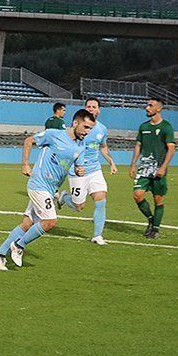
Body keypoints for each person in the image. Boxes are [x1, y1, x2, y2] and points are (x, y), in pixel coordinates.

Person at [0, 109, 95, 270]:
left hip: (51, 189)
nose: (87, 132)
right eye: (86, 127)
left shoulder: (81, 146)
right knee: (50, 221)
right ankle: (18, 246)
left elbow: (77, 167)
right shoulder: (54, 134)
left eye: (90, 129)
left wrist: (79, 171)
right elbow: (28, 140)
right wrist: (25, 163)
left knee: (27, 224)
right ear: (75, 123)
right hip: (38, 185)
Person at [55, 98, 117, 245]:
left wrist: (111, 162)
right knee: (79, 207)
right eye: (88, 106)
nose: (90, 108)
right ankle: (63, 198)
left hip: (95, 169)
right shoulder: (77, 127)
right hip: (77, 172)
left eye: (93, 107)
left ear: (98, 110)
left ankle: (97, 235)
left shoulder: (102, 129)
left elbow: (103, 147)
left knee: (101, 199)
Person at [128, 98, 176, 239]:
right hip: (144, 168)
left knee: (158, 200)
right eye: (147, 105)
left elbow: (171, 149)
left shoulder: (166, 127)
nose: (147, 108)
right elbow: (138, 146)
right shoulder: (144, 127)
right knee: (137, 195)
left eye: (150, 105)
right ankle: (151, 219)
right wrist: (132, 165)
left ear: (159, 109)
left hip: (158, 170)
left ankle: (155, 228)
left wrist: (163, 168)